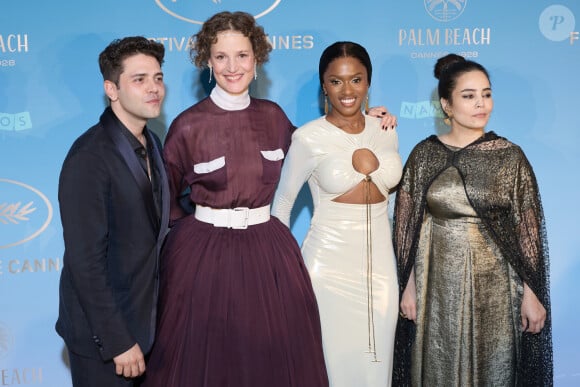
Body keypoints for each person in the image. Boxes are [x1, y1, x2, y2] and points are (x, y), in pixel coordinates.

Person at [142, 12, 329, 386]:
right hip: (204, 260)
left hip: (269, 254)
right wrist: (191, 244)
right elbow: (164, 202)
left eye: (242, 55)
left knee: (271, 362)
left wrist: (366, 121)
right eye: (221, 56)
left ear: (256, 59)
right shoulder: (187, 125)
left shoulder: (275, 118)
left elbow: (323, 151)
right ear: (207, 62)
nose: (232, 67)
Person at [392, 54, 553, 386]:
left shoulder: (510, 156)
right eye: (469, 96)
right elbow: (405, 227)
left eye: (487, 93)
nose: (482, 103)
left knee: (495, 370)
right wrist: (406, 289)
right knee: (437, 369)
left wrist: (532, 293)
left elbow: (528, 231)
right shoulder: (424, 155)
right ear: (447, 105)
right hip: (434, 291)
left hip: (496, 292)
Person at [272, 41, 403, 387]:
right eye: (336, 81)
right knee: (331, 369)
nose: (347, 91)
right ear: (324, 86)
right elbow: (282, 207)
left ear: (368, 83)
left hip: (379, 271)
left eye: (356, 80)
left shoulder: (385, 129)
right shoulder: (308, 138)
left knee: (378, 367)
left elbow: (388, 201)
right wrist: (281, 273)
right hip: (326, 269)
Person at [56, 36, 170, 387]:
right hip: (105, 340)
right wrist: (118, 341)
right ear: (112, 88)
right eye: (139, 79)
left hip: (146, 326)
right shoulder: (89, 156)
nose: (154, 89)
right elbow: (85, 262)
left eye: (158, 77)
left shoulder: (152, 143)